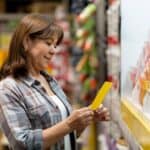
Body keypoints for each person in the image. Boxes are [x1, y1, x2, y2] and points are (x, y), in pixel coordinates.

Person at [0, 14, 110, 150]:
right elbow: (21, 143)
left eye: (55, 45)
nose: (53, 51)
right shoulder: (9, 88)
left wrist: (83, 121)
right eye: (48, 43)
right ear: (26, 42)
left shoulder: (50, 81)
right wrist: (69, 124)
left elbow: (64, 136)